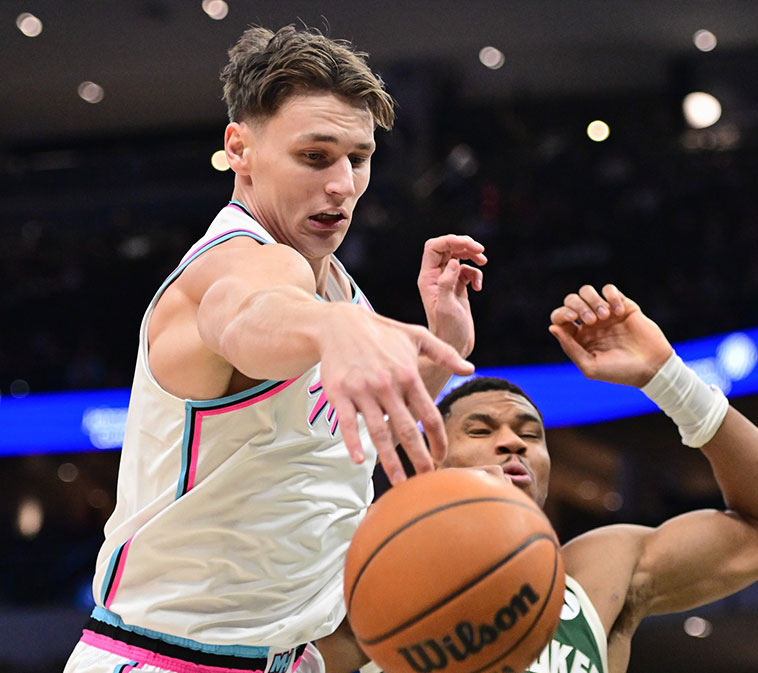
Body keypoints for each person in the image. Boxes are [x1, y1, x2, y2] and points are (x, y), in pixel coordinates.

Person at [64, 26, 486, 673]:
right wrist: (330, 329)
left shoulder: (339, 284)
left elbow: (331, 422)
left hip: (287, 657)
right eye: (316, 157)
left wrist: (442, 343)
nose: (343, 184)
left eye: (359, 157)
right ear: (242, 149)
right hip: (167, 659)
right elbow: (246, 315)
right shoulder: (234, 265)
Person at [316, 283, 758, 673]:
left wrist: (666, 377)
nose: (514, 442)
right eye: (481, 429)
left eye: (530, 434)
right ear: (429, 454)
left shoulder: (597, 572)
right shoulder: (364, 582)